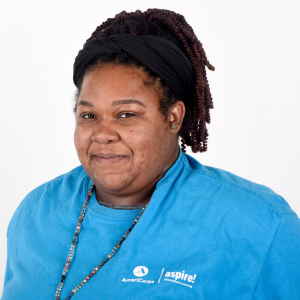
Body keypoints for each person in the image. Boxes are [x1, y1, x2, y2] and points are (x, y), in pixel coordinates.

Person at [2, 8, 300, 300]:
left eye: (126, 114)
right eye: (89, 115)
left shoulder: (260, 225)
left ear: (173, 118)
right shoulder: (35, 213)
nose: (102, 134)